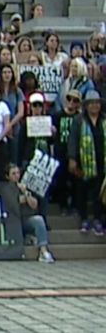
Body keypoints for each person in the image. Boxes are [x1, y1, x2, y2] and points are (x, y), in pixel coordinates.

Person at [67, 91, 105, 235]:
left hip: (102, 161)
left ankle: (97, 219)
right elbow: (73, 140)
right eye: (92, 103)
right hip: (84, 161)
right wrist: (72, 158)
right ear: (86, 105)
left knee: (99, 192)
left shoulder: (104, 120)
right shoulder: (79, 120)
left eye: (97, 103)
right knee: (82, 190)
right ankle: (83, 218)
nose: (95, 106)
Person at [6, 163, 55, 263]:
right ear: (7, 176)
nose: (16, 176)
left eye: (18, 173)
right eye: (13, 174)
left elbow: (34, 205)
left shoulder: (25, 187)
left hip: (27, 220)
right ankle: (29, 239)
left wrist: (26, 193)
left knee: (39, 220)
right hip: (13, 222)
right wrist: (20, 200)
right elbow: (11, 203)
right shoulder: (5, 188)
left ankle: (43, 251)